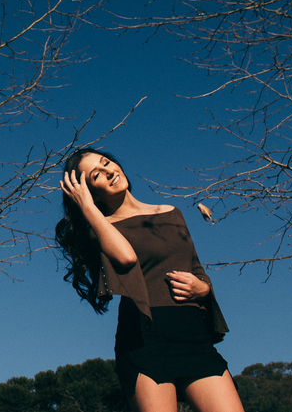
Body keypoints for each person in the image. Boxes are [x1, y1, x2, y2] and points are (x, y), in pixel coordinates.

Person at [55, 148, 244, 412]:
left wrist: (204, 288)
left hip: (191, 333)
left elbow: (196, 268)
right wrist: (86, 207)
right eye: (97, 174)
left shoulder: (171, 213)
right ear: (89, 191)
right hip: (144, 339)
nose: (109, 171)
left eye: (107, 162)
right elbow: (126, 258)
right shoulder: (99, 227)